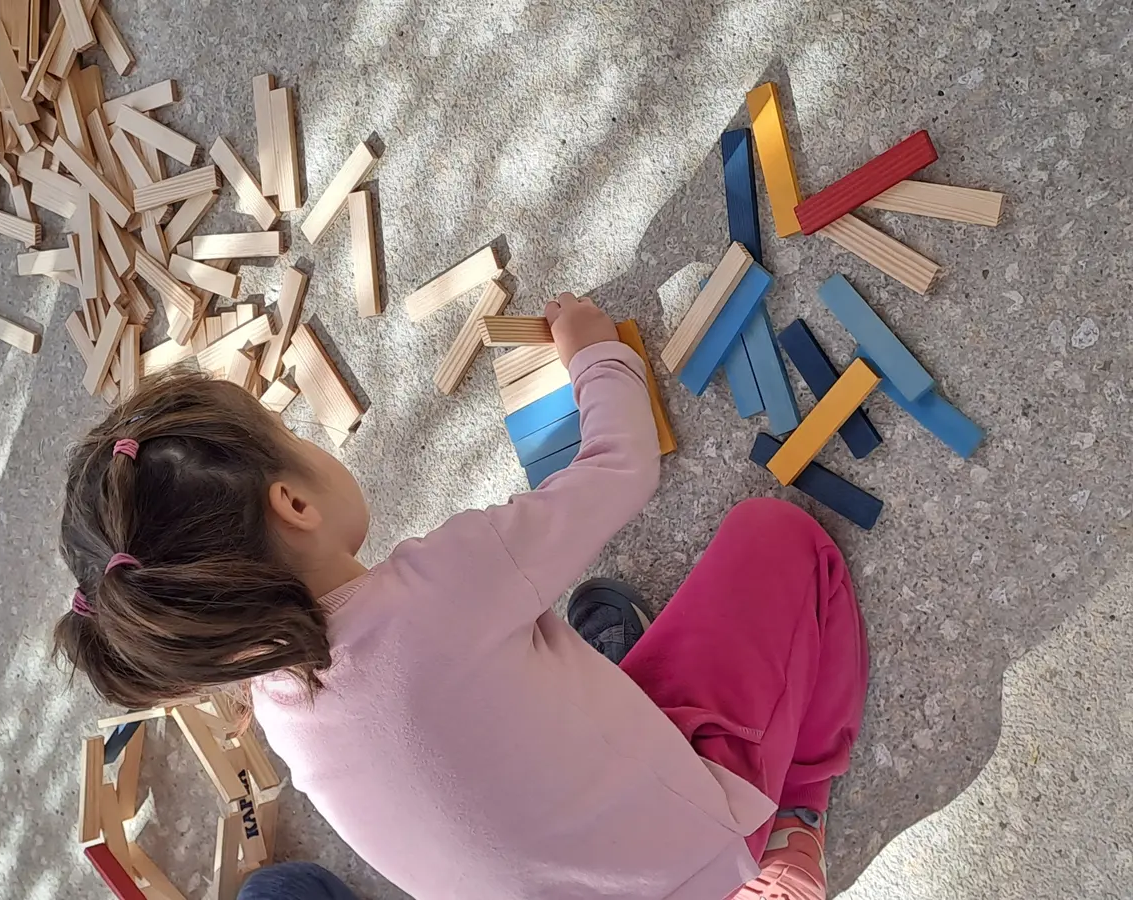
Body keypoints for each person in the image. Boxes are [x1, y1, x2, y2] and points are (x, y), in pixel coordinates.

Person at [53, 293, 868, 900]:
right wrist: (596, 354)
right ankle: (791, 820)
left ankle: (583, 694)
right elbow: (622, 465)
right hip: (695, 864)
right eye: (293, 440)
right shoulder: (443, 584)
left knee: (523, 700)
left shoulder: (279, 715)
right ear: (293, 505)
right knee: (777, 538)